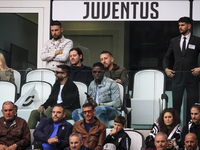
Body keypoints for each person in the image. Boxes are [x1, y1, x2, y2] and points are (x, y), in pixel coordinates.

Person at [163, 17, 200, 121]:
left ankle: (191, 130)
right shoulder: (174, 41)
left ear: (189, 26)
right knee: (176, 106)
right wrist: (166, 69)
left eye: (182, 25)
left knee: (193, 106)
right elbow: (166, 57)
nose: (180, 27)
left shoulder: (197, 40)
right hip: (177, 77)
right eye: (179, 25)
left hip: (192, 77)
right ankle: (176, 130)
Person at [28, 65, 80, 129]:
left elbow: (69, 103)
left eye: (57, 72)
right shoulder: (56, 85)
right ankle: (28, 136)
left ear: (64, 74)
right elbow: (50, 99)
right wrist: (43, 106)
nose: (55, 74)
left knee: (49, 110)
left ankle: (51, 131)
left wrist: (54, 108)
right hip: (54, 110)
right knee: (34, 113)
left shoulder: (71, 86)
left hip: (69, 111)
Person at [72, 62, 121, 127]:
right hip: (94, 109)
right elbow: (87, 101)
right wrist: (89, 102)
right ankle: (85, 130)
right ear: (92, 73)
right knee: (75, 112)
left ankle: (103, 133)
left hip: (112, 110)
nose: (97, 74)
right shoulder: (91, 84)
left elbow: (117, 103)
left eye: (99, 72)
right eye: (95, 72)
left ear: (104, 72)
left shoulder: (112, 83)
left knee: (98, 109)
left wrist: (98, 105)